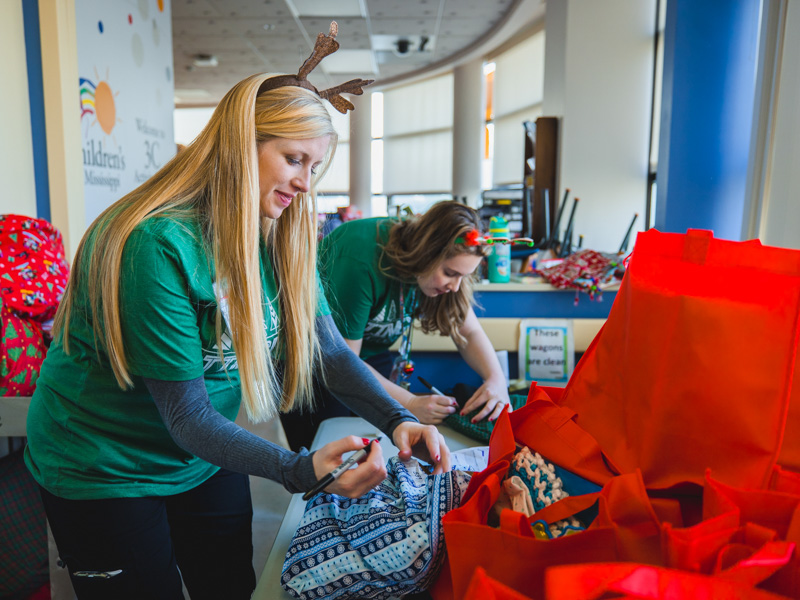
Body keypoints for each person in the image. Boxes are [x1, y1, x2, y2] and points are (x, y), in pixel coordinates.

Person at [24, 25, 449, 600]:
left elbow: (325, 351)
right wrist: (302, 471)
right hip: (105, 464)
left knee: (228, 581)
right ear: (239, 145)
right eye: (293, 159)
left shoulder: (276, 235)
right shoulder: (156, 244)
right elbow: (187, 416)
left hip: (200, 454)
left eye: (314, 166)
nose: (304, 183)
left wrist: (396, 420)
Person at [280, 201, 512, 452]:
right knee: (332, 455)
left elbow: (469, 330)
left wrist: (496, 379)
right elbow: (342, 360)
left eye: (463, 276)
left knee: (381, 447)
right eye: (450, 273)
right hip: (311, 362)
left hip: (364, 353)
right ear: (426, 252)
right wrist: (410, 402)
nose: (455, 287)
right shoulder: (360, 257)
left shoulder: (440, 273)